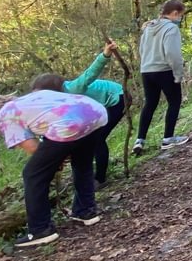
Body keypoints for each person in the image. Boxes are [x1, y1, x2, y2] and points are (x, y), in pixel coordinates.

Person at [0, 90, 107, 247]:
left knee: (32, 174)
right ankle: (86, 211)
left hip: (69, 125)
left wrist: (54, 160)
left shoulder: (4, 115)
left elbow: (33, 147)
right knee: (82, 162)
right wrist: (55, 157)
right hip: (95, 112)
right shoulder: (28, 100)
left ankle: (40, 229)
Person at [30, 40, 126, 188]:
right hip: (98, 106)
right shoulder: (54, 103)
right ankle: (90, 176)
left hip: (116, 97)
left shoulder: (71, 89)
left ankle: (100, 179)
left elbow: (90, 74)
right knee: (89, 140)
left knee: (98, 139)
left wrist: (105, 54)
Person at [134, 0, 189, 152]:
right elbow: (173, 54)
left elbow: (141, 50)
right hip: (164, 70)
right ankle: (168, 138)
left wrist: (146, 64)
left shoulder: (148, 27)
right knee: (174, 101)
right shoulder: (171, 28)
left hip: (146, 70)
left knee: (150, 104)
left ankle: (140, 140)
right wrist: (178, 74)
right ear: (175, 13)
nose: (180, 18)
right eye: (181, 15)